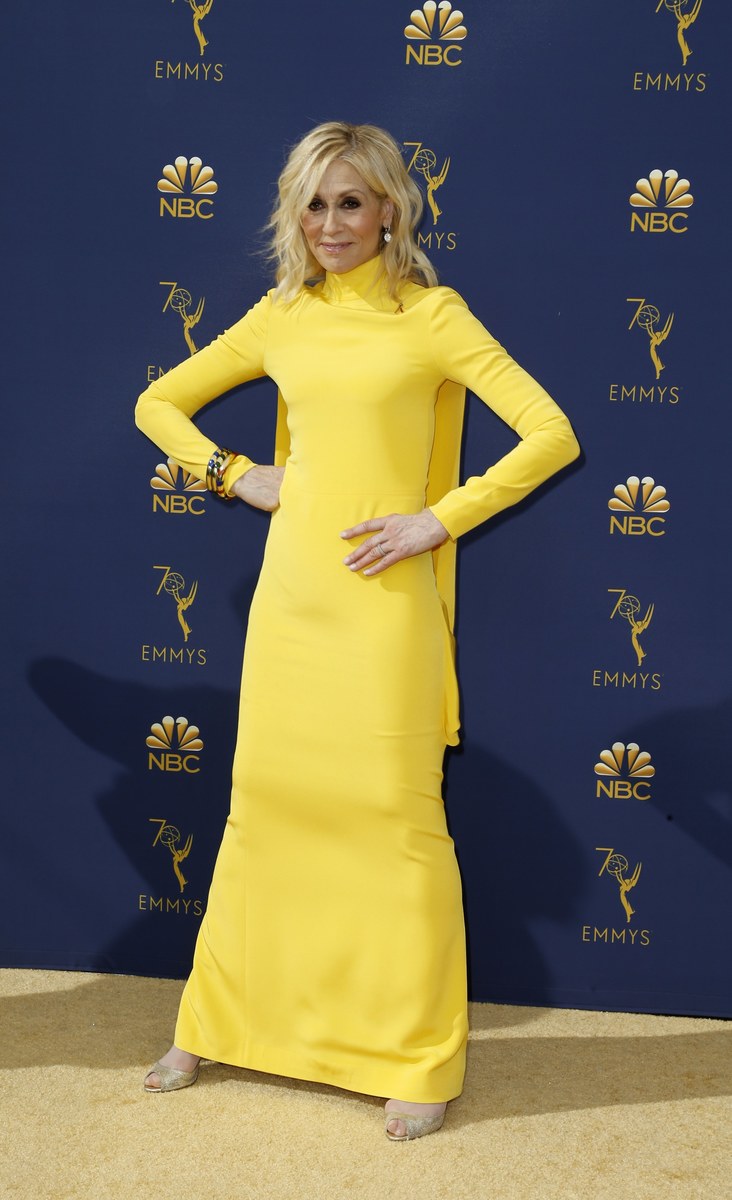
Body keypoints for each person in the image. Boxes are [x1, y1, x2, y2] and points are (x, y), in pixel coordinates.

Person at [134, 120, 580, 1141]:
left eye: (350, 202)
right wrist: (233, 474)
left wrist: (439, 519)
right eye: (314, 203)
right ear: (294, 214)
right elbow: (158, 403)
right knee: (262, 814)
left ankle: (415, 1058)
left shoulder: (432, 316)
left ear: (389, 210)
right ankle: (215, 1025)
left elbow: (551, 432)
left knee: (395, 826)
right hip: (290, 606)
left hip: (384, 611)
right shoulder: (282, 314)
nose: (330, 223)